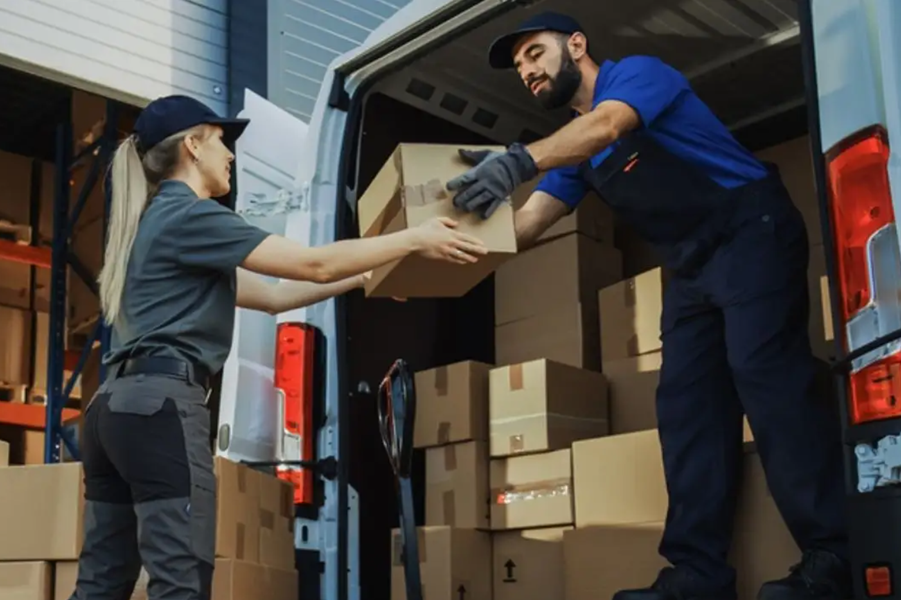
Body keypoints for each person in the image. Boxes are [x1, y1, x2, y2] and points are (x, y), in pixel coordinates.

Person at [447, 12, 850, 600]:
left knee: (766, 376)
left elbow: (609, 125)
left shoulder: (635, 76)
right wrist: (434, 261)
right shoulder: (573, 147)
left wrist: (519, 161)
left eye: (535, 53)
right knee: (686, 407)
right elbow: (527, 224)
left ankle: (832, 556)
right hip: (692, 267)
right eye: (518, 67)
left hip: (750, 232)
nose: (527, 71)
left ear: (576, 45)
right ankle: (697, 575)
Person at [68, 94, 487, 600]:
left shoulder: (156, 224)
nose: (230, 154)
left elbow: (272, 297)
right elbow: (314, 265)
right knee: (180, 581)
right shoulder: (191, 216)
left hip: (112, 412)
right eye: (221, 140)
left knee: (101, 583)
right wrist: (414, 239)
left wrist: (365, 277)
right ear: (193, 146)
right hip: (161, 409)